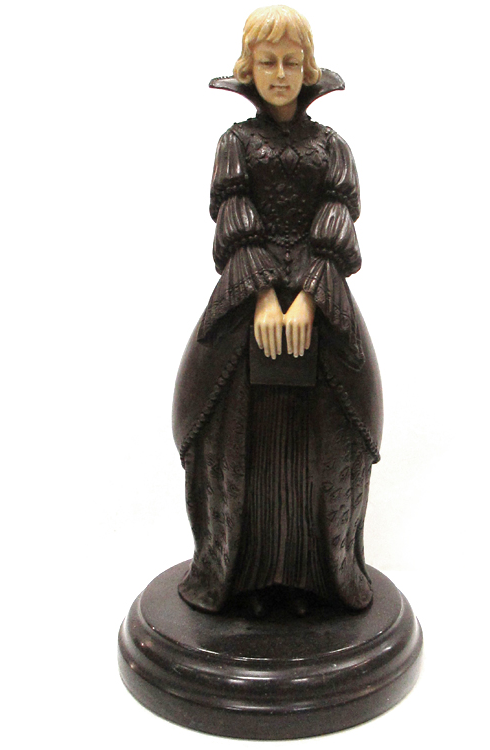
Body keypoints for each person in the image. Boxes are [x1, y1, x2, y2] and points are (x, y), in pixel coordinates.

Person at [172, 5, 383, 615]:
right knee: (234, 434)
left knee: (328, 438)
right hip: (248, 293)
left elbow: (338, 215)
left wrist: (310, 296)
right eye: (268, 62)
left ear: (307, 66)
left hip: (322, 293)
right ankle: (245, 577)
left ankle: (314, 577)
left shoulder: (333, 146)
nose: (281, 74)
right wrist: (265, 294)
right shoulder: (234, 143)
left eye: (292, 61)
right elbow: (233, 213)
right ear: (250, 68)